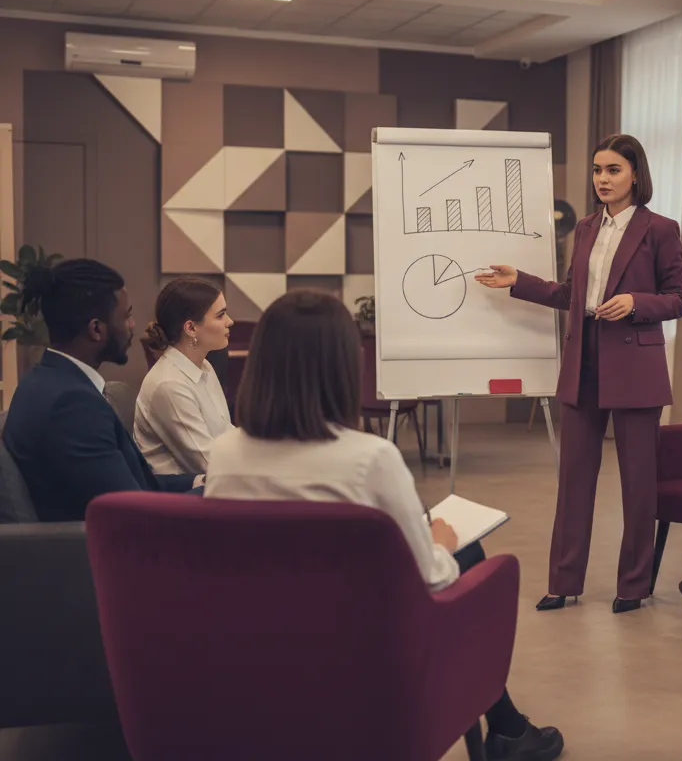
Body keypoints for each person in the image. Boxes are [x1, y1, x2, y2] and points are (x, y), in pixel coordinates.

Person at [202, 291, 564, 761]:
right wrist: (439, 543)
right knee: (464, 553)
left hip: (256, 649)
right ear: (342, 367)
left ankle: (510, 729)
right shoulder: (369, 459)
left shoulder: (225, 454)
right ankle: (509, 732)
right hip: (361, 655)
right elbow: (430, 577)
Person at [476, 134, 682, 614]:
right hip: (584, 362)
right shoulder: (587, 229)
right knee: (574, 479)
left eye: (613, 170)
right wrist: (521, 282)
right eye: (597, 170)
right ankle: (563, 580)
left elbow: (678, 298)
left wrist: (636, 303)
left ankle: (633, 586)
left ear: (636, 174)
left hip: (635, 365)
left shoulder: (660, 229)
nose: (602, 179)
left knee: (638, 483)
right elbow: (574, 294)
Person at [3, 259, 199, 522]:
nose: (133, 325)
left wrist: (202, 482)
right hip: (92, 556)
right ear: (96, 329)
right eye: (127, 315)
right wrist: (222, 493)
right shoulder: (72, 407)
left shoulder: (45, 381)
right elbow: (134, 513)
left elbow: (136, 485)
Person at [134, 277, 234, 478]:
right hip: (180, 499)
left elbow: (226, 436)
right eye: (221, 315)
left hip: (212, 486)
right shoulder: (169, 384)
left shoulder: (204, 366)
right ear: (190, 328)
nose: (230, 321)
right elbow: (209, 463)